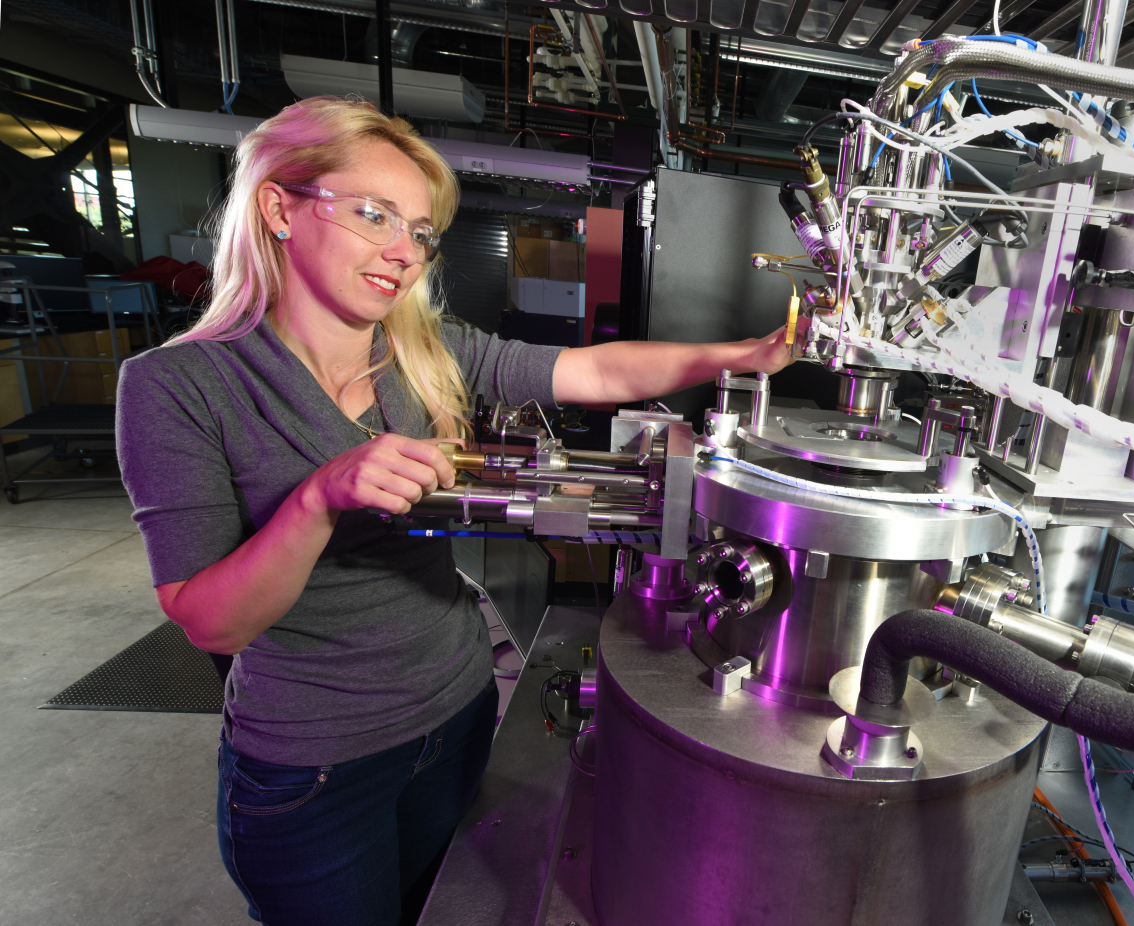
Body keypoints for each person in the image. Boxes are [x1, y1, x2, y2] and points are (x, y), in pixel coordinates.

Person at [114, 96, 791, 926]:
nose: (402, 252)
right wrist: (319, 498)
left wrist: (747, 356)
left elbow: (597, 373)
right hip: (316, 766)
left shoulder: (425, 352)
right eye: (373, 215)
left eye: (420, 231)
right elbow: (210, 621)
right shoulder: (176, 386)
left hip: (459, 711)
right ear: (278, 207)